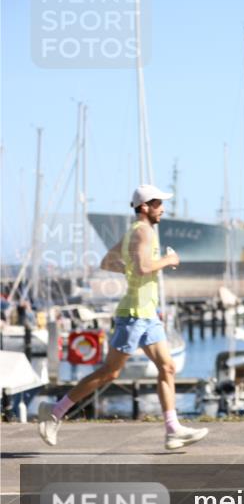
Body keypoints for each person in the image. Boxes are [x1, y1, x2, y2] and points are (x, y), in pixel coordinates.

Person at [38, 184, 208, 451]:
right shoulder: (144, 232)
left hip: (148, 314)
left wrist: (129, 268)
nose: (163, 208)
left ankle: (173, 430)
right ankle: (55, 411)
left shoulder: (135, 232)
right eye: (158, 203)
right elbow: (142, 267)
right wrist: (168, 260)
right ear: (144, 207)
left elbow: (107, 261)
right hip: (134, 315)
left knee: (167, 367)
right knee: (110, 372)